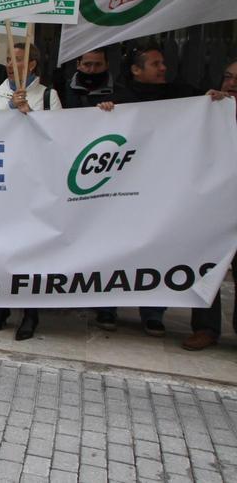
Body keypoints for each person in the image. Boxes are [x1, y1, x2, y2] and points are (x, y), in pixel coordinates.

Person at [93, 45, 199, 336]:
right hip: (122, 191)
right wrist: (104, 114)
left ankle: (153, 312)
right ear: (136, 70)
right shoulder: (120, 99)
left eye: (162, 63)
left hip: (161, 189)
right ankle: (107, 307)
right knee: (114, 248)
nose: (163, 68)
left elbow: (207, 112)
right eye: (155, 64)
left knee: (157, 247)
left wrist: (216, 101)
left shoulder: (182, 95)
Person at [0, 43, 61, 340]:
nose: (12, 65)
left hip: (34, 181)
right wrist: (11, 110)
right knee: (2, 245)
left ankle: (30, 311)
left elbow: (56, 135)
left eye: (19, 60)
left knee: (31, 247)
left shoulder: (49, 96)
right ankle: (1, 306)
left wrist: (31, 114)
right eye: (8, 60)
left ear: (32, 65)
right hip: (2, 179)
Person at [183, 59, 237, 351]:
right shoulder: (214, 109)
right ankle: (205, 328)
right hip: (216, 203)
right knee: (207, 265)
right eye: (228, 76)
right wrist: (204, 111)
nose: (231, 83)